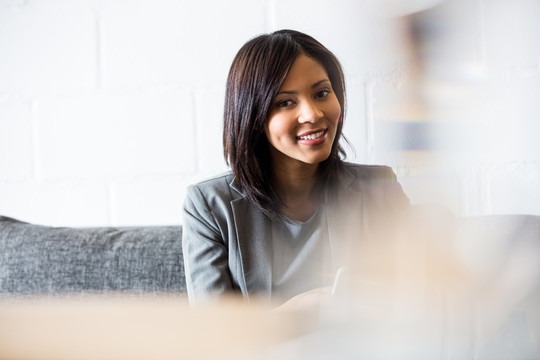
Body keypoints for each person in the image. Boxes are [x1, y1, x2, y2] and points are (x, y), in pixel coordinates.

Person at [182, 29, 410, 307]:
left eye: (322, 93)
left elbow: (417, 305)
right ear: (252, 115)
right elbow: (214, 337)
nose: (313, 114)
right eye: (285, 102)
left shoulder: (380, 189)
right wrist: (294, 314)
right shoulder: (209, 205)